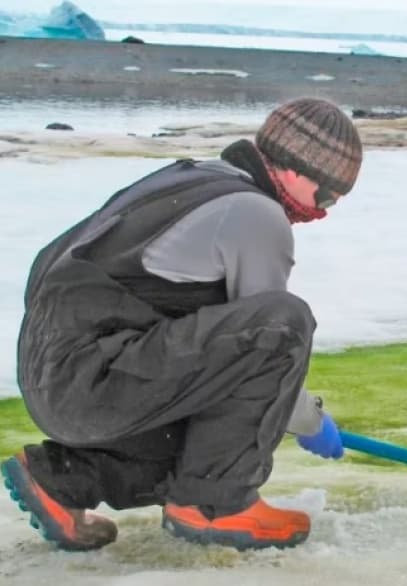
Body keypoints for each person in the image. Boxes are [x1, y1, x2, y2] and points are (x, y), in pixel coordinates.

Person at [1, 97, 363, 551]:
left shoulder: (193, 179)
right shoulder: (256, 213)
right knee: (286, 321)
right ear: (295, 168)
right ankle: (216, 505)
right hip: (93, 377)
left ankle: (62, 480)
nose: (324, 210)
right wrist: (310, 419)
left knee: (205, 438)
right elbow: (268, 342)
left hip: (56, 374)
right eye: (327, 195)